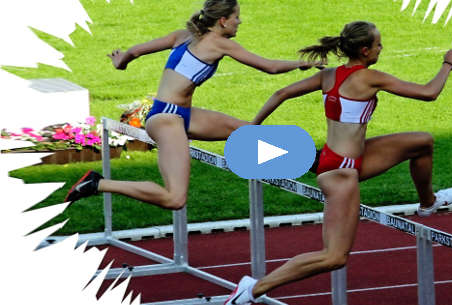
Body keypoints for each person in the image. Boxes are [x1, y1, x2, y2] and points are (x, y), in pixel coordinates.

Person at [224, 21, 452, 305]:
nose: (381, 48)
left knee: (422, 142)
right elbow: (429, 92)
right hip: (340, 173)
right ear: (364, 50)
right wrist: (448, 65)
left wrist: (252, 127)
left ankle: (428, 203)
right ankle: (252, 289)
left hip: (343, 158)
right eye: (378, 44)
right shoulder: (370, 78)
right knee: (334, 256)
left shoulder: (329, 75)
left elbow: (280, 94)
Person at [64, 0, 319, 208]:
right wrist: (302, 64)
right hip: (166, 120)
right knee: (175, 198)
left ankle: (314, 162)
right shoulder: (221, 44)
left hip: (178, 114)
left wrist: (121, 61)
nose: (240, 22)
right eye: (237, 17)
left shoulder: (182, 36)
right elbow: (270, 67)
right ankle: (98, 184)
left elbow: (136, 51)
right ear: (223, 21)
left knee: (245, 131)